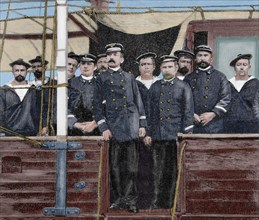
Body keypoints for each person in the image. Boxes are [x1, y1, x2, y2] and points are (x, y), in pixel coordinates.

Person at [93, 43, 146, 213]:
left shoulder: (130, 77)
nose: (111, 57)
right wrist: (104, 128)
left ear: (122, 59)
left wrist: (142, 124)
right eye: (109, 54)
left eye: (115, 54)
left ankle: (130, 200)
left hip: (130, 125)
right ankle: (117, 199)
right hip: (113, 128)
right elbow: (96, 106)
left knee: (131, 167)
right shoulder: (100, 78)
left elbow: (138, 101)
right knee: (114, 167)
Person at [144, 55, 194, 209]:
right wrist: (148, 133)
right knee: (156, 170)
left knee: (173, 170)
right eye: (164, 67)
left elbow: (188, 112)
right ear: (160, 69)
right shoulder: (155, 87)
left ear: (176, 68)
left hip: (176, 136)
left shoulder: (183, 87)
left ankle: (173, 203)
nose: (167, 69)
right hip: (158, 135)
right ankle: (157, 202)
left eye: (170, 67)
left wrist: (186, 135)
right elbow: (149, 112)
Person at [184, 45, 231, 134]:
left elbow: (226, 98)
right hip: (194, 123)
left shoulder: (220, 77)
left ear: (211, 58)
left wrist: (213, 114)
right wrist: (192, 114)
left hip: (215, 125)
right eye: (200, 55)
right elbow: (183, 99)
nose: (202, 58)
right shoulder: (188, 78)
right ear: (195, 59)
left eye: (205, 55)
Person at [135, 52, 159, 209]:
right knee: (139, 168)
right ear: (139, 67)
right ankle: (141, 201)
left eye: (149, 64)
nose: (146, 67)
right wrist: (142, 130)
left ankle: (155, 202)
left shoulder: (160, 84)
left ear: (154, 67)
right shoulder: (133, 84)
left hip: (158, 133)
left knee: (157, 168)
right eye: (143, 64)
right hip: (138, 133)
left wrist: (152, 132)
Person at [0, 59, 41, 136]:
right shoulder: (5, 90)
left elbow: (39, 110)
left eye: (22, 70)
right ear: (12, 72)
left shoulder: (33, 89)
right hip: (10, 132)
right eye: (17, 70)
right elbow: (1, 111)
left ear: (27, 72)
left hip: (31, 131)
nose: (19, 73)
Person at [224, 54, 259, 133]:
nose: (242, 67)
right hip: (230, 125)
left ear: (249, 67)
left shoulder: (256, 84)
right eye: (238, 65)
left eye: (245, 65)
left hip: (252, 125)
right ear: (234, 68)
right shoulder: (227, 84)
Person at [68, 53, 99, 136]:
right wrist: (74, 123)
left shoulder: (100, 84)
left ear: (95, 67)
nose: (85, 66)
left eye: (89, 64)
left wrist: (94, 123)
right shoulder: (71, 83)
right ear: (79, 66)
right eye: (83, 63)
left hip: (95, 128)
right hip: (75, 129)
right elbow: (65, 106)